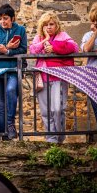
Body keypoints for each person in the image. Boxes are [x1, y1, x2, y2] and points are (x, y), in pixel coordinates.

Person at [30, 12, 79, 143]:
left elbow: (74, 47)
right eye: (46, 25)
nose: (49, 27)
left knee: (57, 109)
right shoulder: (39, 38)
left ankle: (60, 136)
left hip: (58, 77)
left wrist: (54, 48)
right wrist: (45, 40)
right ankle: (51, 139)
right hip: (42, 78)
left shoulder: (62, 35)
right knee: (46, 111)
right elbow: (33, 50)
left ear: (57, 25)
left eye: (51, 24)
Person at [0, 4, 27, 140]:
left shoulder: (21, 30)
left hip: (13, 70)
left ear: (12, 18)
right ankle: (3, 135)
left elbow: (23, 49)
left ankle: (10, 123)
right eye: (0, 19)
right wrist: (2, 49)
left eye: (5, 18)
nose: (2, 21)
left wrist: (8, 51)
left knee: (11, 91)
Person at [81, 2, 97, 136]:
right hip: (93, 76)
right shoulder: (88, 35)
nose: (96, 23)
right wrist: (95, 34)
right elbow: (86, 49)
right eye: (93, 21)